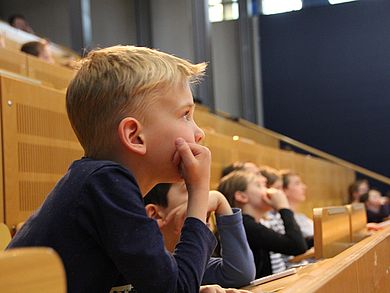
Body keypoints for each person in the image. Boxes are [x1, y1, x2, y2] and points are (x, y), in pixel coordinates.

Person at [7, 45, 218, 293]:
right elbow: (175, 290)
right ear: (135, 136)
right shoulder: (105, 182)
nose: (199, 133)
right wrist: (199, 192)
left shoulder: (102, 183)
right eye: (185, 115)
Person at [144, 182, 255, 288]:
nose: (203, 199)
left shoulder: (190, 263)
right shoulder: (141, 266)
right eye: (189, 189)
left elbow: (240, 274)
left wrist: (220, 200)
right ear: (155, 215)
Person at [218, 171, 307, 278]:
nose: (268, 191)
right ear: (242, 196)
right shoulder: (245, 226)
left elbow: (293, 242)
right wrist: (284, 207)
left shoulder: (252, 223)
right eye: (259, 186)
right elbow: (297, 246)